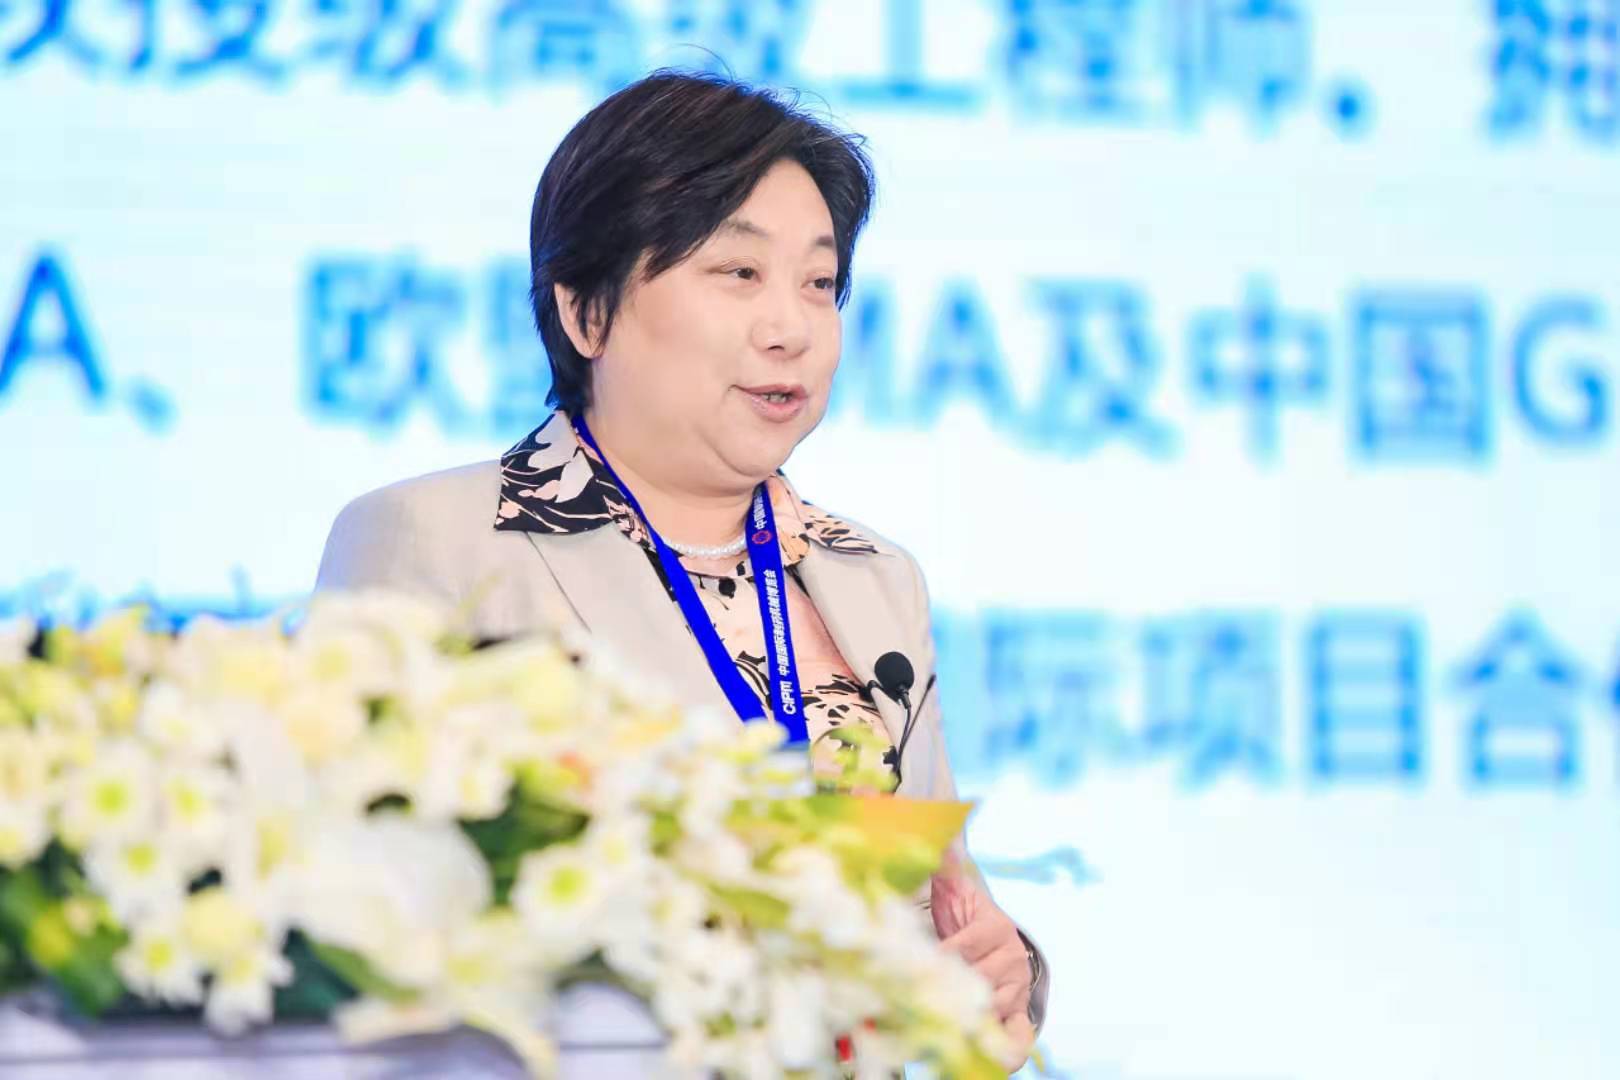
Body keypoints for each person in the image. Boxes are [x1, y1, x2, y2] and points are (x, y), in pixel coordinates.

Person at [316, 69, 1048, 1069]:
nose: (791, 326)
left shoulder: (873, 578)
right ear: (586, 312)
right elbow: (351, 927)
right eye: (738, 273)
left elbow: (939, 906)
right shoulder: (434, 542)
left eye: (819, 282)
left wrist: (998, 972)